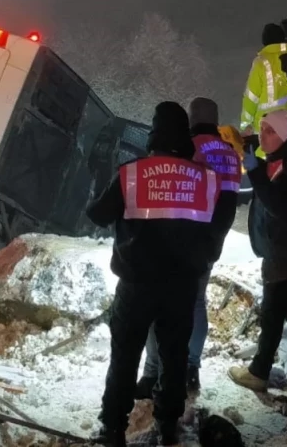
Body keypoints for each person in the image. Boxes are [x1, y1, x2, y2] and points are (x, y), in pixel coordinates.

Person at [87, 102, 231, 447]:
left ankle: (113, 430)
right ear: (184, 136)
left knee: (124, 357)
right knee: (175, 356)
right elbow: (220, 223)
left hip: (136, 286)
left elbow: (97, 214)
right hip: (182, 286)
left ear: (154, 134)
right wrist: (205, 254)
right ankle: (168, 428)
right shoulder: (208, 179)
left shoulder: (132, 172)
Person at [135, 99, 239, 398]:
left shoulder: (190, 146)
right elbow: (231, 199)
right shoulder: (231, 153)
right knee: (197, 302)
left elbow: (181, 191)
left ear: (192, 121)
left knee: (162, 304)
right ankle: (191, 368)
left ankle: (153, 371)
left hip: (186, 236)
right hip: (214, 238)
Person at [227, 110, 287, 394]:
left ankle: (259, 372)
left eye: (269, 131)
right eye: (262, 129)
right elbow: (266, 154)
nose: (263, 135)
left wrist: (253, 169)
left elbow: (276, 205)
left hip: (285, 252)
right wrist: (247, 142)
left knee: (273, 314)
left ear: (284, 137)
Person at [240, 23, 287, 140]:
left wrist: (245, 124)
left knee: (268, 157)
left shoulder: (261, 62)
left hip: (267, 129)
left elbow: (251, 97)